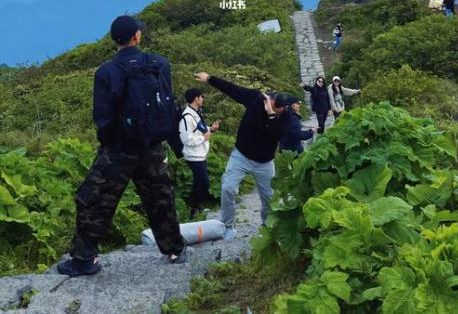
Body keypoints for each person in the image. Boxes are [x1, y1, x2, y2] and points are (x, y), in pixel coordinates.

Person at [57, 15, 187, 277]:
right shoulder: (160, 64)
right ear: (137, 36)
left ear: (114, 40)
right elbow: (169, 104)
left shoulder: (106, 72)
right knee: (160, 197)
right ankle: (175, 249)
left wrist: (108, 145)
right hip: (152, 146)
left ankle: (84, 260)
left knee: (93, 199)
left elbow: (103, 118)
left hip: (119, 149)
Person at [195, 71, 290, 239]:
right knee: (227, 188)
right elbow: (232, 89)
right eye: (272, 105)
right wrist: (209, 78)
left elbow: (277, 134)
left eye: (279, 110)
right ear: (268, 99)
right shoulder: (255, 99)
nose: (277, 110)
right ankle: (228, 226)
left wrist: (271, 114)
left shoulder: (284, 116)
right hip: (241, 155)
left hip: (265, 162)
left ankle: (267, 226)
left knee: (270, 198)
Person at [180, 88, 221, 218]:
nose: (203, 99)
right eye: (201, 97)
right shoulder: (187, 116)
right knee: (204, 183)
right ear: (196, 98)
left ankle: (195, 207)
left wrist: (211, 129)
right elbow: (186, 139)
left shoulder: (196, 113)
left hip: (199, 154)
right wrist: (204, 138)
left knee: (199, 182)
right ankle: (193, 207)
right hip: (193, 155)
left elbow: (199, 129)